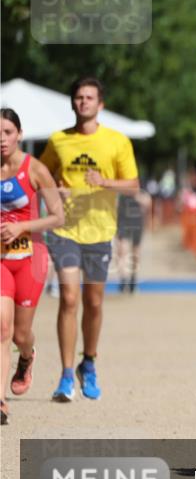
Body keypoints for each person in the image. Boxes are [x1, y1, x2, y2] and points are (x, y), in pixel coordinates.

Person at [40, 77, 140, 402]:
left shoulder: (117, 142)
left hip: (99, 232)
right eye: (79, 97)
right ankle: (66, 374)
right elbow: (39, 173)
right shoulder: (59, 141)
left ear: (101, 105)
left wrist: (104, 182)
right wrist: (57, 186)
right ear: (72, 103)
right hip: (65, 231)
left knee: (94, 302)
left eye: (90, 97)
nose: (84, 102)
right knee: (69, 298)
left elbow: (133, 185)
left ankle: (89, 362)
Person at [1, 109, 66, 424]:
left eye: (8, 132)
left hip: (31, 257)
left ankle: (26, 357)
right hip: (0, 260)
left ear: (19, 135)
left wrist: (23, 227)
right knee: (2, 325)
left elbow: (58, 216)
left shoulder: (35, 168)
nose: (2, 139)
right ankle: (0, 401)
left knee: (20, 334)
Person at [114, 187, 151, 293]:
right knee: (122, 251)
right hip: (122, 221)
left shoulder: (139, 186)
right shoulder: (118, 186)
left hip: (136, 221)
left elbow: (147, 202)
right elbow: (113, 203)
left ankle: (133, 279)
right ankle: (123, 279)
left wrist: (135, 195)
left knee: (135, 252)